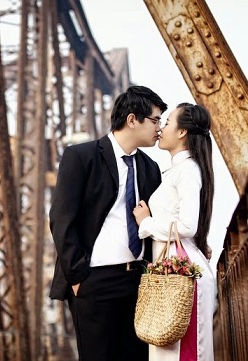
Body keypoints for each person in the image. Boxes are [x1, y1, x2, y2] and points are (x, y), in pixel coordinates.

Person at [49, 85, 167, 361]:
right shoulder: (81, 156)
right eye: (155, 120)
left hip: (138, 282)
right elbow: (61, 218)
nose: (159, 128)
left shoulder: (150, 168)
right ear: (132, 120)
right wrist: (78, 277)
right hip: (94, 280)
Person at [132, 103, 218, 361]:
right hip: (173, 272)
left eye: (167, 122)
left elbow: (188, 226)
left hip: (182, 276)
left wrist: (146, 223)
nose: (161, 128)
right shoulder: (180, 170)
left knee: (183, 355)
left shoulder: (188, 170)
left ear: (182, 133)